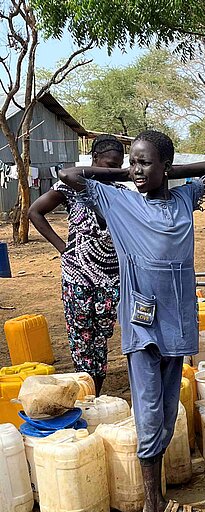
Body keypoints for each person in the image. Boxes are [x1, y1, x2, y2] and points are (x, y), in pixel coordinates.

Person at [58, 130, 205, 512]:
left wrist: (170, 173)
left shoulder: (183, 199)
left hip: (178, 324)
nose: (136, 170)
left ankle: (159, 501)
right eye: (132, 162)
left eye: (144, 163)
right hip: (142, 328)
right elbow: (69, 173)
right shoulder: (118, 200)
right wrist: (124, 173)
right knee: (151, 416)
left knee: (167, 415)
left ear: (165, 167)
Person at [28, 135, 125, 396]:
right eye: (108, 165)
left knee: (102, 337)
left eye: (118, 166)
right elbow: (35, 212)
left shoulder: (121, 193)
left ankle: (96, 387)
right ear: (94, 161)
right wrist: (63, 248)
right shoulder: (69, 188)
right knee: (82, 340)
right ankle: (87, 395)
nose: (112, 171)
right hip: (77, 279)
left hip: (111, 279)